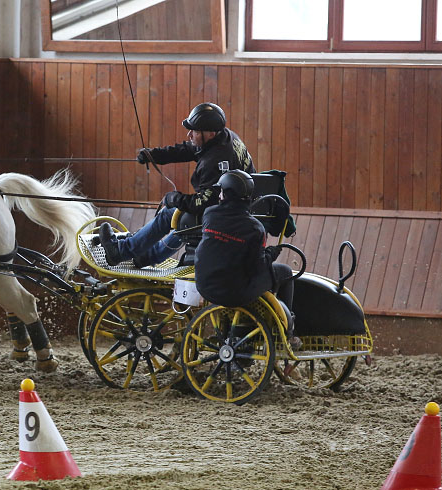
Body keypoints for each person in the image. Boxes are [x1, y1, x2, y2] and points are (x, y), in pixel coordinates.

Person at [99, 102, 255, 268]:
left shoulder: (214, 161)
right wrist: (154, 155)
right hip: (241, 209)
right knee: (185, 219)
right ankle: (147, 256)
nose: (189, 134)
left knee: (174, 214)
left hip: (226, 215)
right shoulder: (224, 137)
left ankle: (122, 251)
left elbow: (203, 204)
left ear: (209, 133)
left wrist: (175, 199)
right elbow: (189, 149)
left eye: (194, 131)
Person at [193, 170, 295, 334]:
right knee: (285, 271)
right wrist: (271, 253)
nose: (219, 196)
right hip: (234, 293)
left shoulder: (209, 214)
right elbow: (257, 267)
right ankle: (288, 328)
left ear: (226, 194)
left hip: (205, 286)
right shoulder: (254, 228)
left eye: (221, 192)